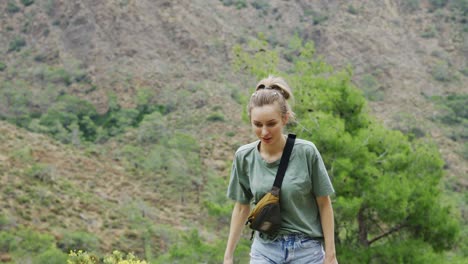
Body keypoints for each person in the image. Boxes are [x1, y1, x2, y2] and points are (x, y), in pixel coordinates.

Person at [223, 76, 338, 264]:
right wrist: (228, 256)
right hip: (265, 249)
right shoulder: (244, 156)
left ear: (285, 119)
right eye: (257, 124)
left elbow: (324, 204)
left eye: (271, 124)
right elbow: (241, 207)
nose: (264, 132)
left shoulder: (306, 152)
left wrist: (331, 254)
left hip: (307, 251)